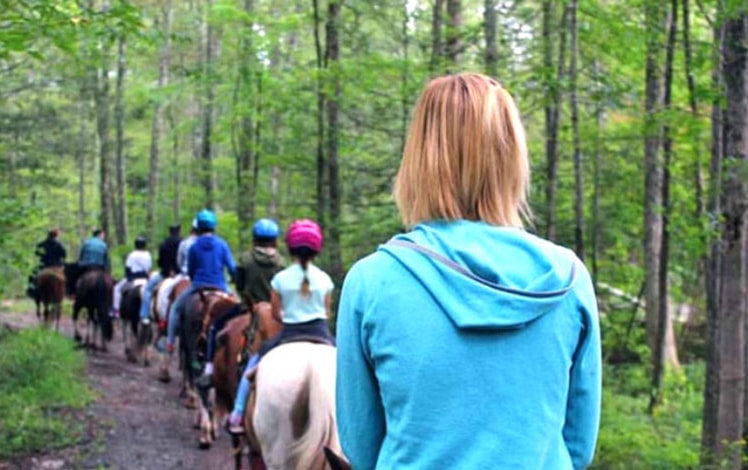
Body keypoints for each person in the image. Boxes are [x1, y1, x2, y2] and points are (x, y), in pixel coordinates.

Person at [335, 73, 602, 469]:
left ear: (419, 158)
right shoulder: (568, 279)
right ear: (511, 158)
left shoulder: (371, 281)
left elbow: (361, 446)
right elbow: (579, 445)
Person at [226, 218, 335, 434]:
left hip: (289, 333)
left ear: (290, 247)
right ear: (317, 250)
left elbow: (276, 313)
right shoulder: (325, 279)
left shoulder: (281, 279)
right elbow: (326, 313)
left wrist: (291, 314)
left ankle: (238, 413)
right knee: (353, 367)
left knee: (252, 365)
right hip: (321, 333)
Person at [197, 218, 284, 386]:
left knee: (216, 326)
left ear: (255, 238)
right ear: (274, 240)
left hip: (248, 309)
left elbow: (239, 284)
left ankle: (208, 369)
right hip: (274, 312)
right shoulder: (281, 263)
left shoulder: (245, 259)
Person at [165, 209, 237, 354]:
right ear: (214, 226)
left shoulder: (194, 246)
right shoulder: (222, 244)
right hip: (220, 286)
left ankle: (170, 343)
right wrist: (234, 280)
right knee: (237, 308)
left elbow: (191, 271)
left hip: (198, 286)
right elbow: (232, 268)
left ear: (198, 227)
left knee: (175, 309)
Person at [139, 224, 182, 324]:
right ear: (179, 231)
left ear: (170, 231)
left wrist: (168, 269)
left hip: (165, 273)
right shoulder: (183, 243)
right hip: (180, 274)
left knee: (148, 289)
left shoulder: (164, 244)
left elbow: (160, 262)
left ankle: (144, 315)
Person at [112, 237, 152, 318]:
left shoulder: (132, 255)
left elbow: (128, 268)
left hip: (133, 278)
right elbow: (149, 268)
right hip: (145, 278)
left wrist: (128, 277)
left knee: (116, 288)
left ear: (135, 245)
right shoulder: (148, 254)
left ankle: (116, 310)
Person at [27, 229, 67, 298]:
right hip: (56, 265)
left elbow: (37, 253)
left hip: (44, 265)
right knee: (67, 277)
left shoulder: (41, 244)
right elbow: (64, 254)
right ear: (56, 236)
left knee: (32, 276)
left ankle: (32, 290)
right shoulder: (59, 244)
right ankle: (68, 291)